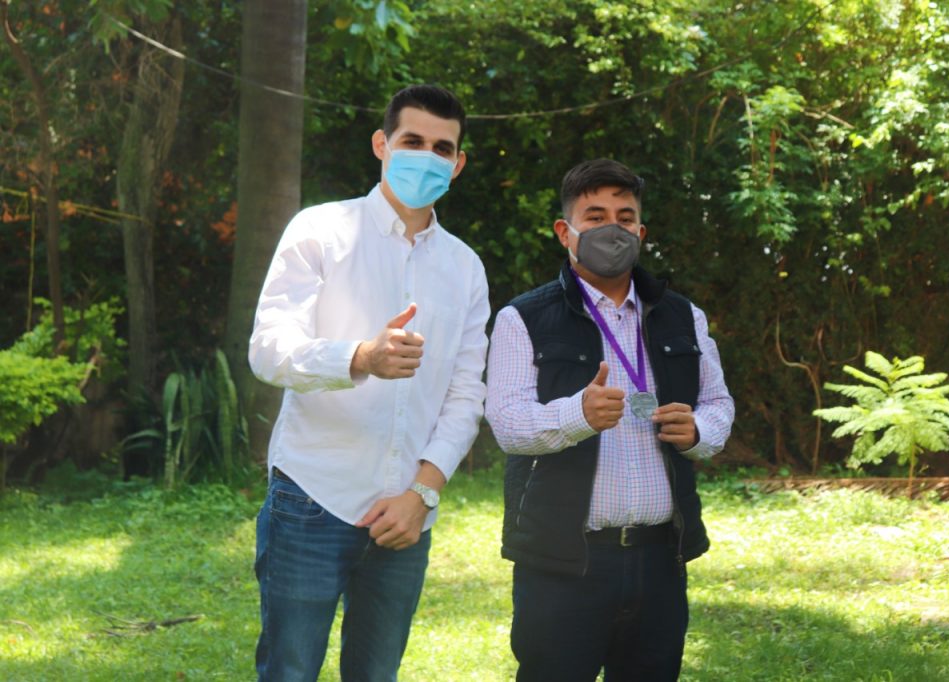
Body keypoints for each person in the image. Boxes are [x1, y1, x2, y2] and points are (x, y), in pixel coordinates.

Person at [249, 84, 489, 681]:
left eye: (442, 148)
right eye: (413, 141)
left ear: (458, 164)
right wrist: (359, 357)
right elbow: (268, 350)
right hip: (312, 497)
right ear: (382, 144)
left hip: (407, 514)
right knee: (289, 672)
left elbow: (466, 396)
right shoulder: (320, 230)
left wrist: (422, 494)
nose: (427, 157)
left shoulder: (464, 267)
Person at [485, 158, 734, 681]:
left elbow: (718, 403)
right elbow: (506, 423)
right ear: (565, 232)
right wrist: (576, 414)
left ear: (641, 233)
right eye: (595, 217)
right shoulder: (522, 318)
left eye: (625, 218)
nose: (612, 229)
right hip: (563, 562)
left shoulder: (683, 315)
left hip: (660, 560)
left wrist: (699, 431)